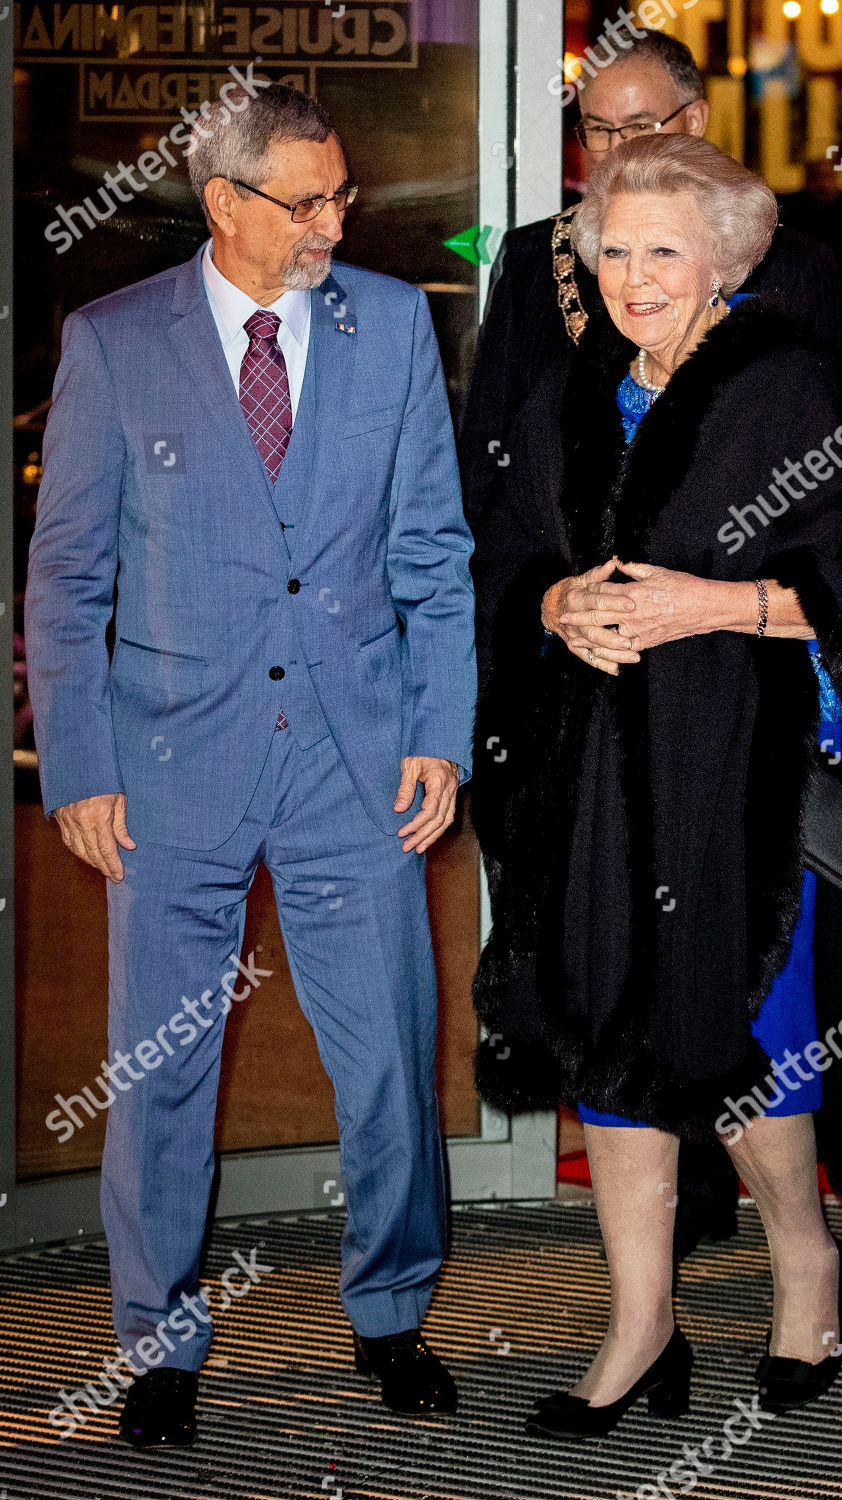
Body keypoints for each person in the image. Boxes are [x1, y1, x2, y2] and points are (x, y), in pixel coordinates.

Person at [25, 83, 475, 1447]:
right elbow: (67, 574)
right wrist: (79, 765)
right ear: (224, 205)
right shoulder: (113, 343)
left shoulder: (391, 323)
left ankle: (391, 1311)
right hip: (169, 767)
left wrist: (437, 734)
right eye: (308, 201)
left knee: (388, 1056)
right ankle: (158, 1341)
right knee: (159, 1069)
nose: (336, 219)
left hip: (355, 763)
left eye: (340, 194)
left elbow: (434, 560)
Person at [471, 133, 842, 1439]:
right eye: (614, 249)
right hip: (594, 777)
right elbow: (506, 559)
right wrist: (553, 600)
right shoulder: (571, 398)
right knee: (603, 1032)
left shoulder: (795, 391)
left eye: (664, 251)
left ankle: (806, 1264)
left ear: (729, 259)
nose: (634, 277)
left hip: (740, 782)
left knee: (752, 1038)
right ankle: (641, 1327)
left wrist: (725, 603)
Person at [459, 28, 842, 531]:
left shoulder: (791, 260)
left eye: (639, 126)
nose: (617, 149)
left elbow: (829, 478)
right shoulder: (534, 257)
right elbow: (487, 455)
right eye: (598, 129)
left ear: (695, 120)